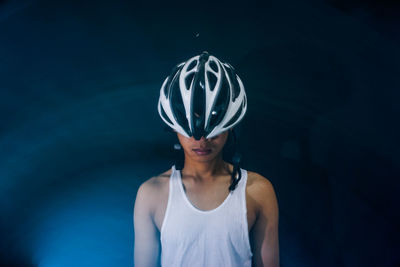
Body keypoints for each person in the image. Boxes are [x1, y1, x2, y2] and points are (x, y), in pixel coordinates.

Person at [134, 52, 279, 267]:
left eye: (213, 129)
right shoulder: (152, 193)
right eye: (190, 130)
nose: (202, 140)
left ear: (230, 126)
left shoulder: (258, 190)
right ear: (175, 128)